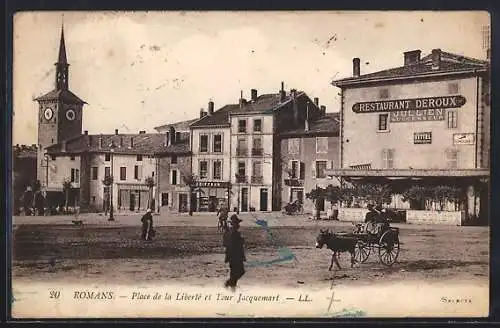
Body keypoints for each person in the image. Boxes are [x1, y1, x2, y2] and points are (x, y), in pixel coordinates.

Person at [223, 214, 246, 291]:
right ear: (234, 224)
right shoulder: (233, 233)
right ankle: (229, 284)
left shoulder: (230, 232)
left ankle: (232, 286)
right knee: (239, 271)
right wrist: (241, 241)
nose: (238, 225)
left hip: (232, 256)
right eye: (237, 223)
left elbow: (225, 243)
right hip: (235, 256)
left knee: (235, 272)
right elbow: (232, 244)